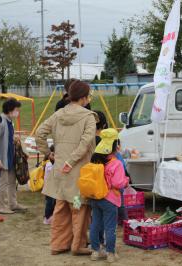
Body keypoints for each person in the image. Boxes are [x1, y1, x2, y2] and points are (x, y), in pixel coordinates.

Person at [35, 80, 97, 256]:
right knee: (79, 208)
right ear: (84, 97)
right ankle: (78, 245)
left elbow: (39, 134)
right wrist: (72, 160)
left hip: (60, 172)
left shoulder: (58, 114)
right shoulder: (88, 117)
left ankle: (58, 245)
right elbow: (86, 143)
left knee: (61, 209)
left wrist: (48, 153)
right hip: (78, 173)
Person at [89, 128, 129, 263]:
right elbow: (118, 183)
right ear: (115, 144)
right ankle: (110, 254)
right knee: (110, 227)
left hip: (95, 198)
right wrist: (126, 181)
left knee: (95, 224)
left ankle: (95, 251)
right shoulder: (116, 164)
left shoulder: (96, 160)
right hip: (110, 200)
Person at [0, 98, 27, 214]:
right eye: (17, 109)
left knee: (12, 182)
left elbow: (7, 138)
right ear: (10, 110)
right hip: (2, 158)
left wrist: (13, 139)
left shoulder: (9, 121)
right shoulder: (1, 122)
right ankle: (0, 206)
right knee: (3, 183)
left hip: (11, 157)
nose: (18, 112)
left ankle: (13, 204)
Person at [43, 145, 56, 225]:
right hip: (49, 188)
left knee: (53, 203)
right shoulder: (48, 164)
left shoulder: (52, 164)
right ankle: (47, 217)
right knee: (49, 203)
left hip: (53, 188)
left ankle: (51, 216)